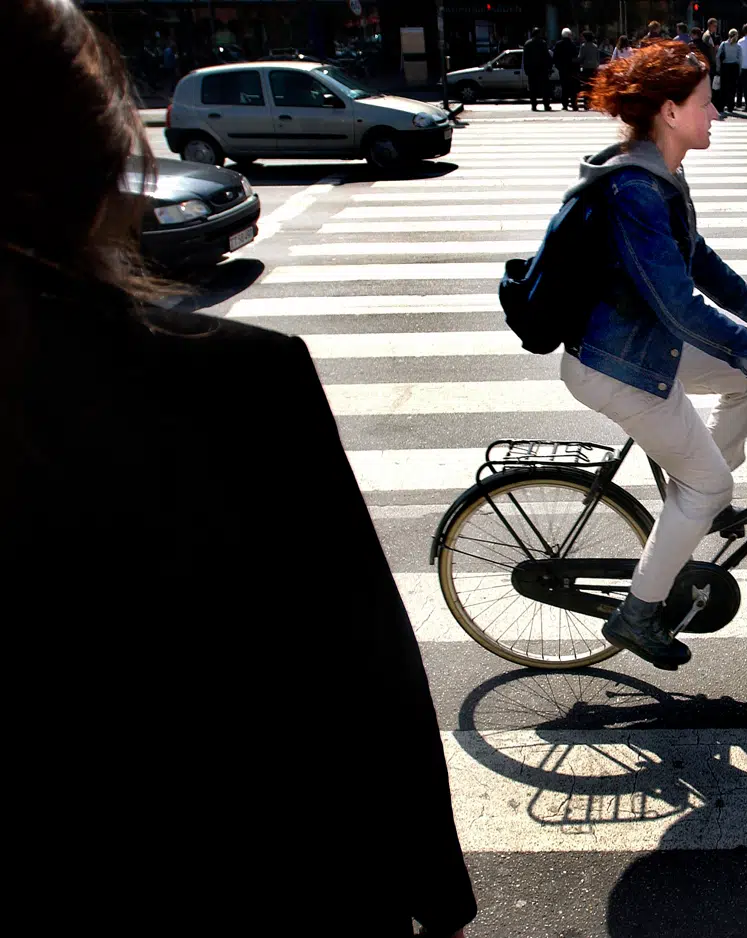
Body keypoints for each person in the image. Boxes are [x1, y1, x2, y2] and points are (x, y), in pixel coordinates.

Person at [0, 1, 479, 935]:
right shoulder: (233, 383)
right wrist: (438, 893)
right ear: (110, 161)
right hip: (257, 870)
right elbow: (361, 665)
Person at [564, 41, 747, 669]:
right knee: (713, 473)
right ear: (670, 111)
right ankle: (637, 615)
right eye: (706, 102)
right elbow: (678, 301)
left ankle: (700, 499)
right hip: (617, 364)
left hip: (643, 344)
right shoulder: (634, 188)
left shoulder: (662, 172)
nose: (716, 113)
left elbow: (696, 255)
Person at [522, 26, 553, 111]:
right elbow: (547, 56)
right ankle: (546, 105)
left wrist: (526, 69)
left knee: (533, 88)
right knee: (545, 88)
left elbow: (525, 58)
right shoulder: (542, 43)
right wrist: (549, 67)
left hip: (532, 70)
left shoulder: (527, 44)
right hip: (542, 69)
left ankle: (534, 105)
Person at [553, 26, 580, 110]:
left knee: (564, 87)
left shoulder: (558, 44)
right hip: (571, 69)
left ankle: (565, 104)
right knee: (573, 88)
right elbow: (576, 57)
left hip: (562, 69)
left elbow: (555, 57)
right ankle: (574, 104)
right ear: (569, 35)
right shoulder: (573, 45)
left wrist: (559, 67)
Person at [718, 28, 742, 113]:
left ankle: (721, 105)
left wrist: (718, 67)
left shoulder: (723, 44)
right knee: (732, 88)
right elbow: (740, 59)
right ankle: (730, 106)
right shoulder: (738, 46)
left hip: (725, 67)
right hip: (734, 67)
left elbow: (718, 56)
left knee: (723, 87)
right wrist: (740, 70)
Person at [578, 29, 602, 109]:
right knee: (592, 86)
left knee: (586, 86)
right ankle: (592, 102)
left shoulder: (583, 46)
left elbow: (580, 57)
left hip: (586, 68)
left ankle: (586, 102)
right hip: (594, 68)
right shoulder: (595, 46)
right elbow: (598, 58)